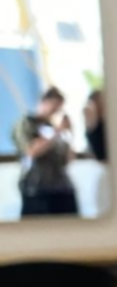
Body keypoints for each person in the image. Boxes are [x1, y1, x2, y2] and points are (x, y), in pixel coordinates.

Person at [13, 83, 78, 217]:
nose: (56, 112)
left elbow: (68, 159)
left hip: (61, 189)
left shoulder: (56, 130)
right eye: (54, 106)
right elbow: (31, 151)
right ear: (44, 102)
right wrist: (57, 132)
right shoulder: (27, 124)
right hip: (36, 189)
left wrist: (70, 134)